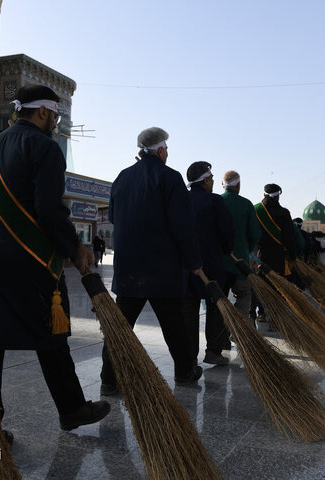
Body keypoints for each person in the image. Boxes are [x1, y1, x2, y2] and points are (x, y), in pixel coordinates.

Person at [0, 85, 110, 437]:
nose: (56, 124)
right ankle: (72, 408)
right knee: (51, 329)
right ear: (45, 113)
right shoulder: (45, 148)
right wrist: (75, 247)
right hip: (30, 257)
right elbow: (49, 209)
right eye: (56, 116)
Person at [100, 127, 204, 395]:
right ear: (160, 150)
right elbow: (183, 225)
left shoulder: (122, 177)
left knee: (120, 327)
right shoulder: (170, 178)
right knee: (174, 324)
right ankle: (184, 372)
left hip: (128, 269)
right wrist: (194, 261)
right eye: (167, 149)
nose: (167, 153)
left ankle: (109, 379)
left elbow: (113, 217)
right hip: (162, 268)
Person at [182, 162, 234, 366]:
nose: (213, 182)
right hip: (210, 264)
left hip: (186, 266)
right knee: (216, 307)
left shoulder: (181, 200)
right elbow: (227, 231)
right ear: (205, 180)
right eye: (211, 179)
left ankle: (188, 358)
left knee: (188, 311)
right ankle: (213, 351)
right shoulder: (214, 201)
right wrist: (225, 249)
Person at [221, 170, 261, 326]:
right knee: (244, 294)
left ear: (222, 184)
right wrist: (247, 249)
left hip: (219, 261)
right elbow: (255, 233)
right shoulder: (246, 204)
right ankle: (237, 328)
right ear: (238, 185)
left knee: (220, 298)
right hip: (240, 261)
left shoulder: (216, 201)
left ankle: (222, 336)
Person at [255, 184, 298, 277]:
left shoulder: (255, 210)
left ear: (264, 195)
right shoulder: (284, 213)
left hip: (259, 255)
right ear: (278, 196)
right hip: (278, 256)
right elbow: (290, 237)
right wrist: (292, 256)